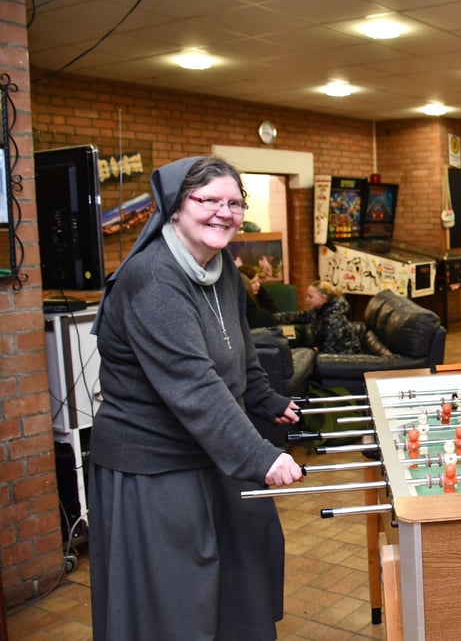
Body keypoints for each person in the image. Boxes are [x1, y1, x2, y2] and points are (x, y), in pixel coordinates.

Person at [88, 156, 306, 641]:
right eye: (207, 200)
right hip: (153, 465)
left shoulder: (222, 266)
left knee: (248, 557)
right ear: (175, 207)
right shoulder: (153, 279)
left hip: (208, 450)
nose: (222, 213)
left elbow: (239, 349)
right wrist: (260, 455)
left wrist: (266, 400)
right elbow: (193, 384)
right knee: (178, 598)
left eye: (233, 202)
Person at [275, 279, 362, 354]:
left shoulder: (334, 319)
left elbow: (329, 354)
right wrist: (272, 317)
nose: (307, 300)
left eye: (310, 297)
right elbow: (299, 316)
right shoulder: (320, 310)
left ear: (323, 298)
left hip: (344, 360)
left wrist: (314, 353)